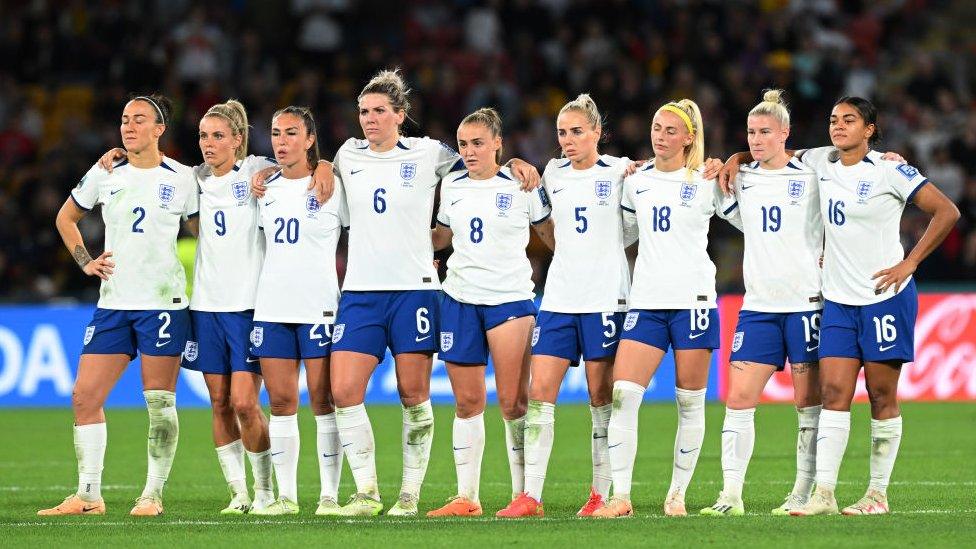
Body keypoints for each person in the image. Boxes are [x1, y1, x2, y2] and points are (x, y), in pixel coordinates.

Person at [253, 69, 540, 516]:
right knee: (344, 390)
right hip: (361, 292)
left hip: (415, 291)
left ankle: (409, 495)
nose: (369, 119)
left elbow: (479, 165)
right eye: (363, 112)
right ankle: (366, 491)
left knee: (413, 394)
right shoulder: (346, 155)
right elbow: (308, 167)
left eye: (379, 112)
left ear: (400, 116)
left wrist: (515, 164)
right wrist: (320, 163)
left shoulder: (429, 154)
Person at [94, 102, 335, 515]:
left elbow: (300, 160)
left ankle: (265, 492)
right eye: (204, 136)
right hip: (203, 306)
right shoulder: (192, 179)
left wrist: (326, 164)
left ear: (238, 140)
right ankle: (238, 493)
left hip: (247, 307)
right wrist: (118, 155)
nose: (209, 144)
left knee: (245, 401)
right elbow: (152, 168)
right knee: (219, 401)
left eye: (219, 136)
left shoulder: (258, 169)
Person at [42, 94, 198, 517]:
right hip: (113, 304)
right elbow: (65, 218)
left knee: (160, 402)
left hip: (163, 303)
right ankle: (89, 496)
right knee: (84, 396)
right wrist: (85, 261)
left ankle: (152, 495)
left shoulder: (184, 179)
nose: (128, 127)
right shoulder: (105, 172)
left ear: (159, 129)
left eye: (139, 120)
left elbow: (208, 234)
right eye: (124, 119)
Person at [593, 99, 741, 518]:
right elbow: (617, 235)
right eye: (657, 127)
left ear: (689, 138)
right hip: (647, 302)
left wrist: (734, 164)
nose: (660, 135)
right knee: (623, 394)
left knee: (689, 402)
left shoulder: (708, 180)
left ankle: (676, 494)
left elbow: (752, 222)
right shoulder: (635, 181)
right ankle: (620, 496)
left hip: (693, 301)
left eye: (671, 130)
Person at [497, 94, 632, 518]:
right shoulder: (553, 172)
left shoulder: (622, 171)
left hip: (605, 298)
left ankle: (600, 493)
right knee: (539, 394)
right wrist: (516, 161)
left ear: (597, 132)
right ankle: (530, 497)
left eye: (577, 131)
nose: (568, 140)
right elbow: (544, 220)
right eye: (561, 133)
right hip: (558, 298)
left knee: (600, 397)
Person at [698, 90, 823, 517]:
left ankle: (803, 494)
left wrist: (888, 160)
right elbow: (714, 198)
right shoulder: (741, 180)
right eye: (751, 132)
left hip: (807, 304)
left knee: (808, 408)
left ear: (785, 134)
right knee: (739, 399)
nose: (756, 139)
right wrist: (718, 166)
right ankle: (731, 495)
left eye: (765, 132)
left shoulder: (812, 177)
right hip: (758, 307)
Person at [426, 107, 552, 518]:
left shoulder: (521, 182)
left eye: (478, 143)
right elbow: (442, 236)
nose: (469, 151)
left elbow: (552, 237)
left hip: (509, 301)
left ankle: (523, 497)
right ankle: (468, 497)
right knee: (467, 402)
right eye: (463, 144)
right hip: (459, 299)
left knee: (514, 403)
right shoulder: (452, 183)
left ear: (498, 143)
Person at [248, 106, 347, 515]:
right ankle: (286, 497)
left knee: (324, 402)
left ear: (309, 139)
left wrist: (325, 165)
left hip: (319, 306)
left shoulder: (334, 187)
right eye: (275, 133)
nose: (282, 141)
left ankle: (329, 496)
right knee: (282, 403)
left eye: (292, 133)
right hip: (271, 306)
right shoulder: (263, 188)